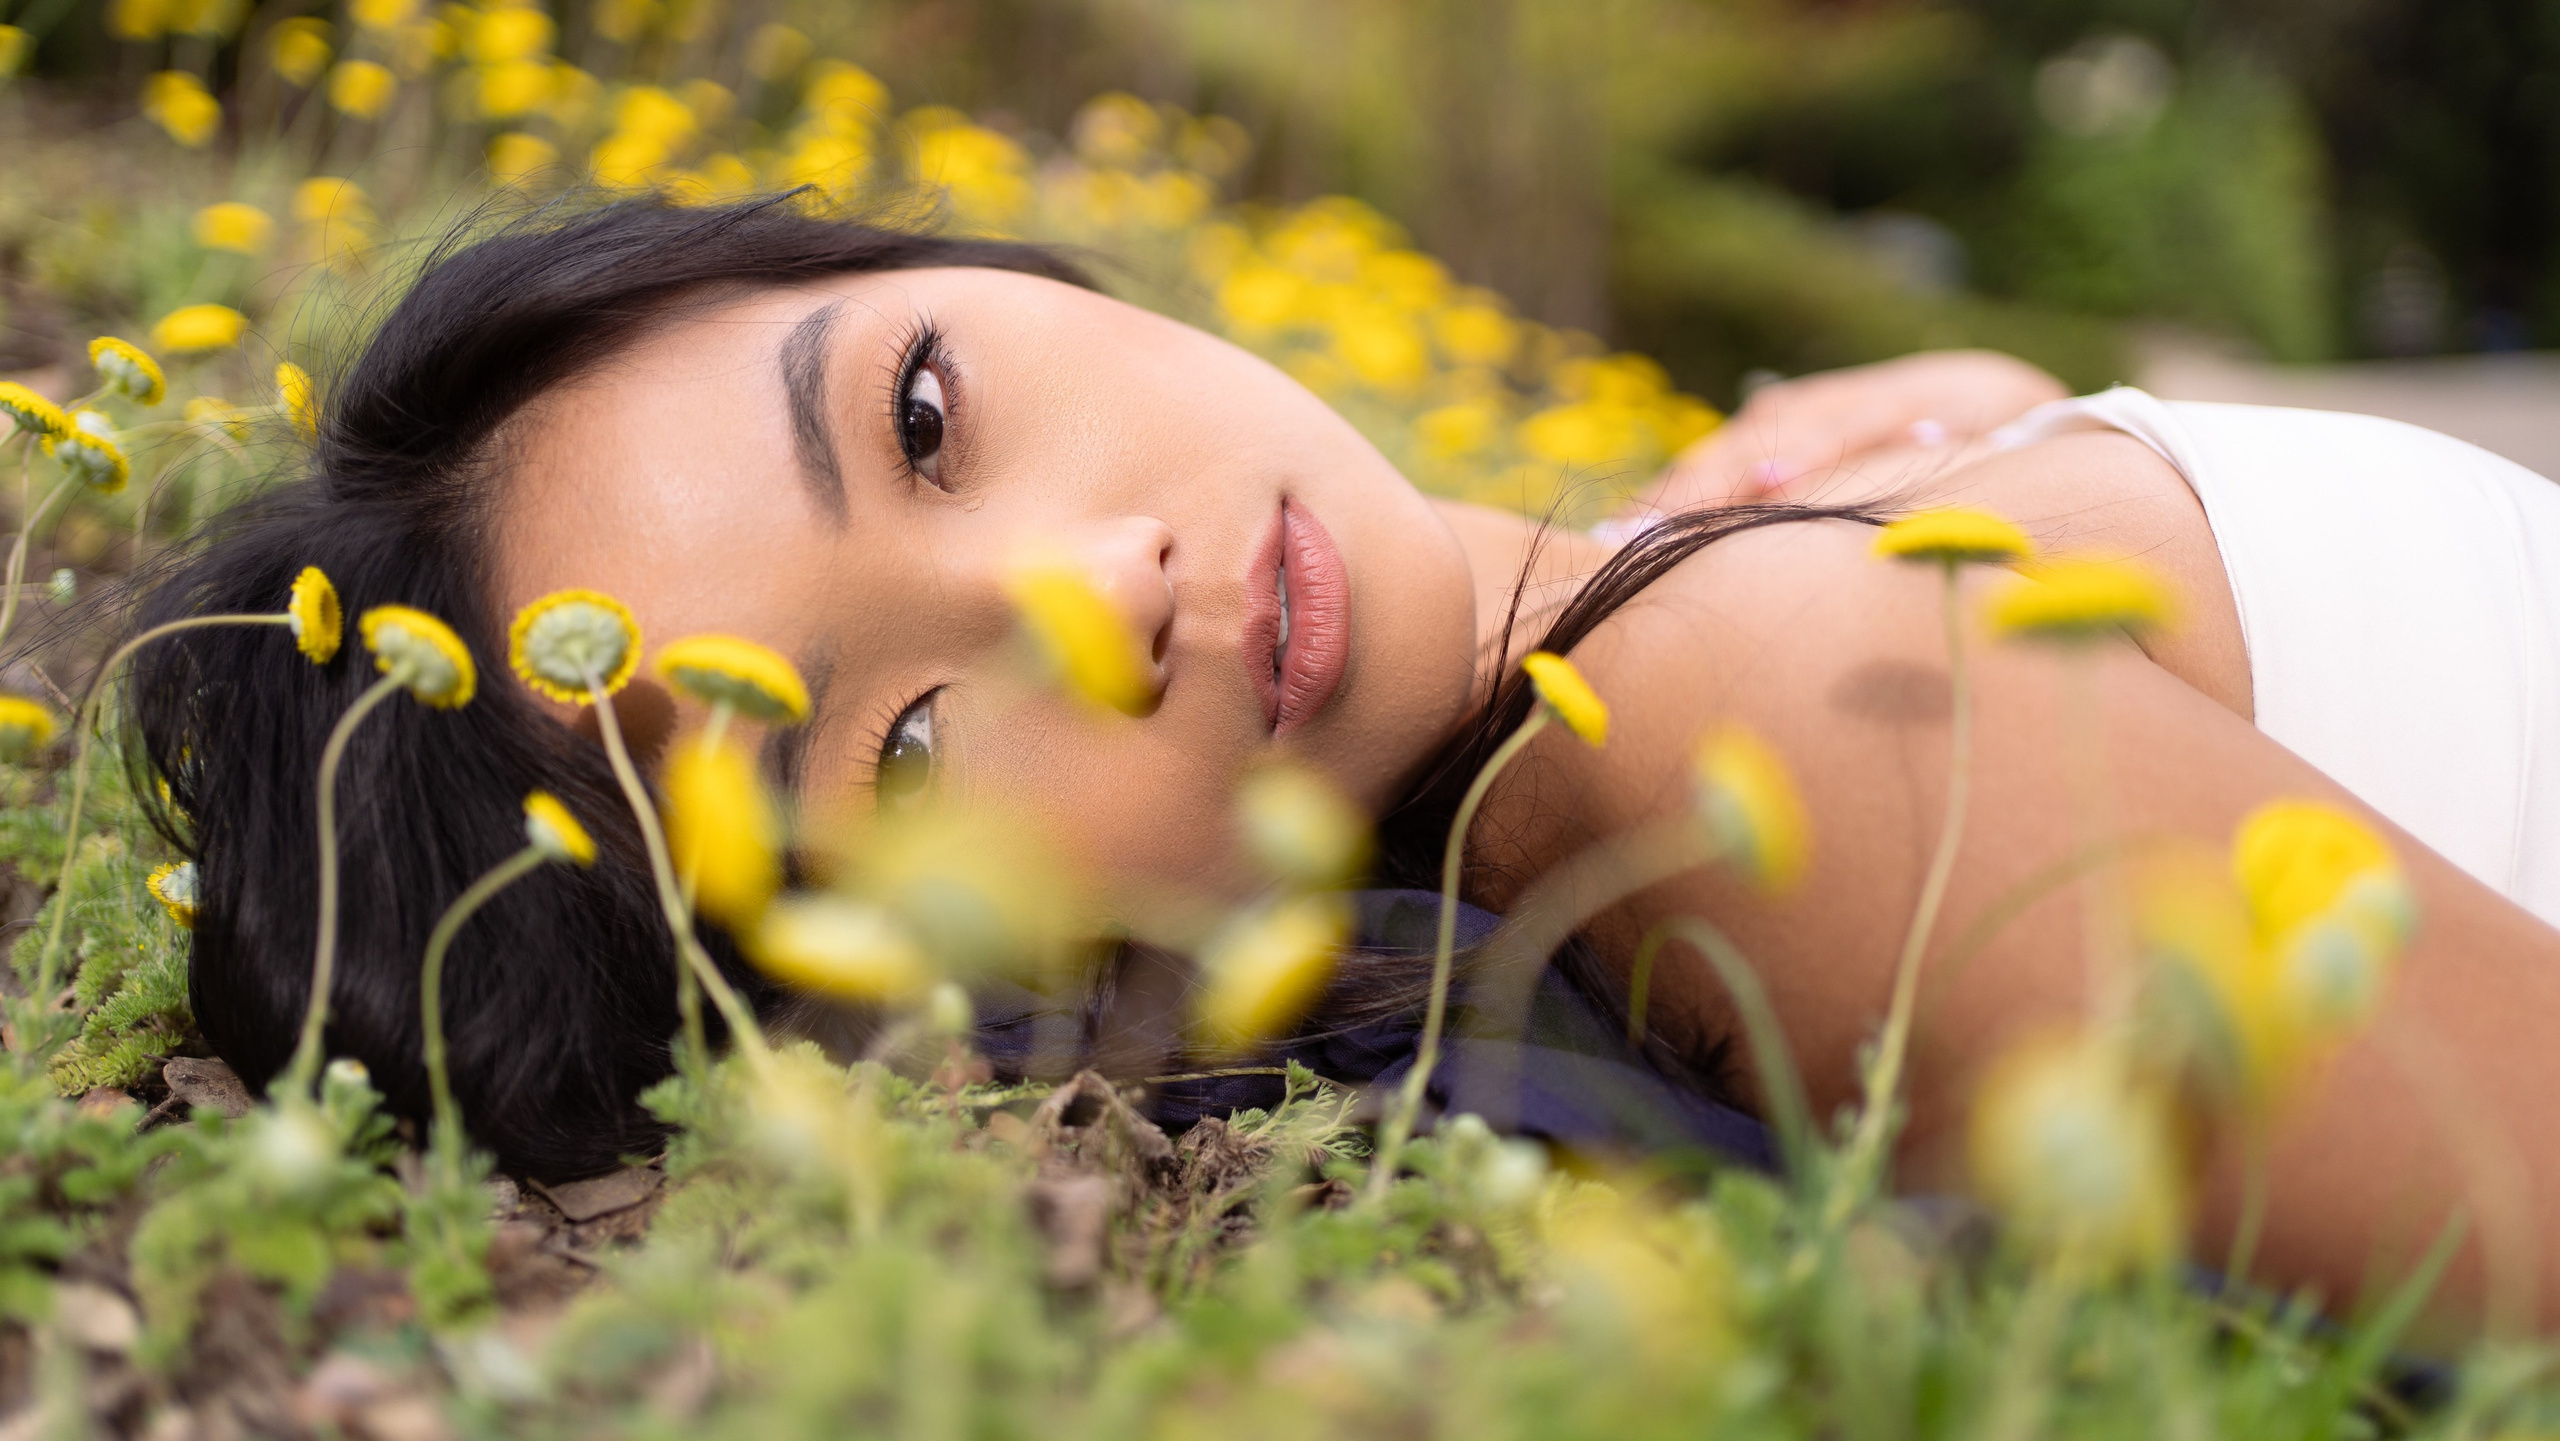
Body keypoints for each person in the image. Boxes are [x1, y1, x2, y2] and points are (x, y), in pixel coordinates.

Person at [128, 197, 2560, 1324]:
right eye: (914, 741)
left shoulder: (1712, 621)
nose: (1096, 590)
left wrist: (1977, 469)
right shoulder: (1756, 714)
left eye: (925, 413)